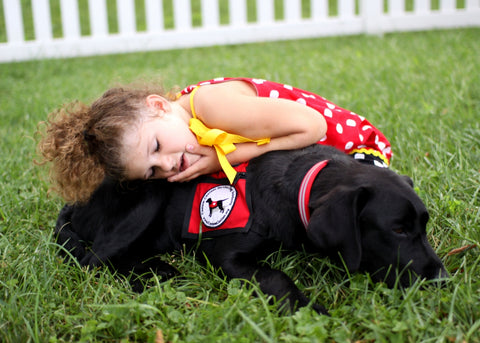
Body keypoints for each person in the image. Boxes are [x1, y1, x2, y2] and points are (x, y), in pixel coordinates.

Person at [37, 77, 391, 204]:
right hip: (300, 160)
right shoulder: (184, 131)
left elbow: (313, 128)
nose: (166, 165)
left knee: (353, 202)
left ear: (159, 105)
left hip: (350, 146)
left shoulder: (212, 107)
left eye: (157, 148)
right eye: (151, 172)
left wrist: (233, 156)